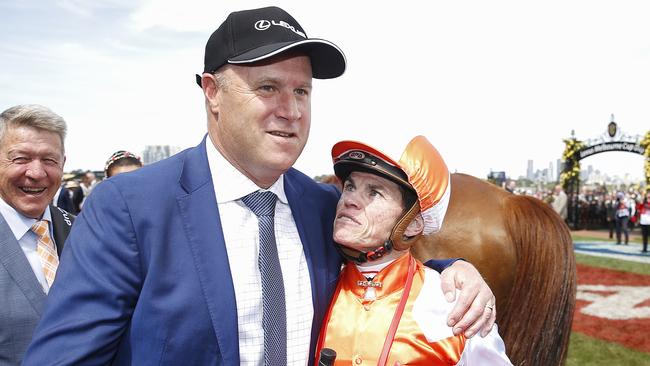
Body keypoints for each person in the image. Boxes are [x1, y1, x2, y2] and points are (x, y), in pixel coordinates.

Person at [24, 7, 494, 365]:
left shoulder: (323, 207)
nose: (290, 110)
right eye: (267, 88)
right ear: (212, 93)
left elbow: (388, 261)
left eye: (302, 91)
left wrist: (453, 271)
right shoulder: (127, 206)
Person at [316, 136, 511, 365]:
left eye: (374, 192)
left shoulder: (455, 308)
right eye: (350, 186)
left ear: (412, 224)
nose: (349, 200)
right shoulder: (316, 284)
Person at [0, 104, 74, 365]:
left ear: (63, 164)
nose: (36, 173)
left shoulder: (84, 233)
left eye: (49, 160)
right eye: (20, 159)